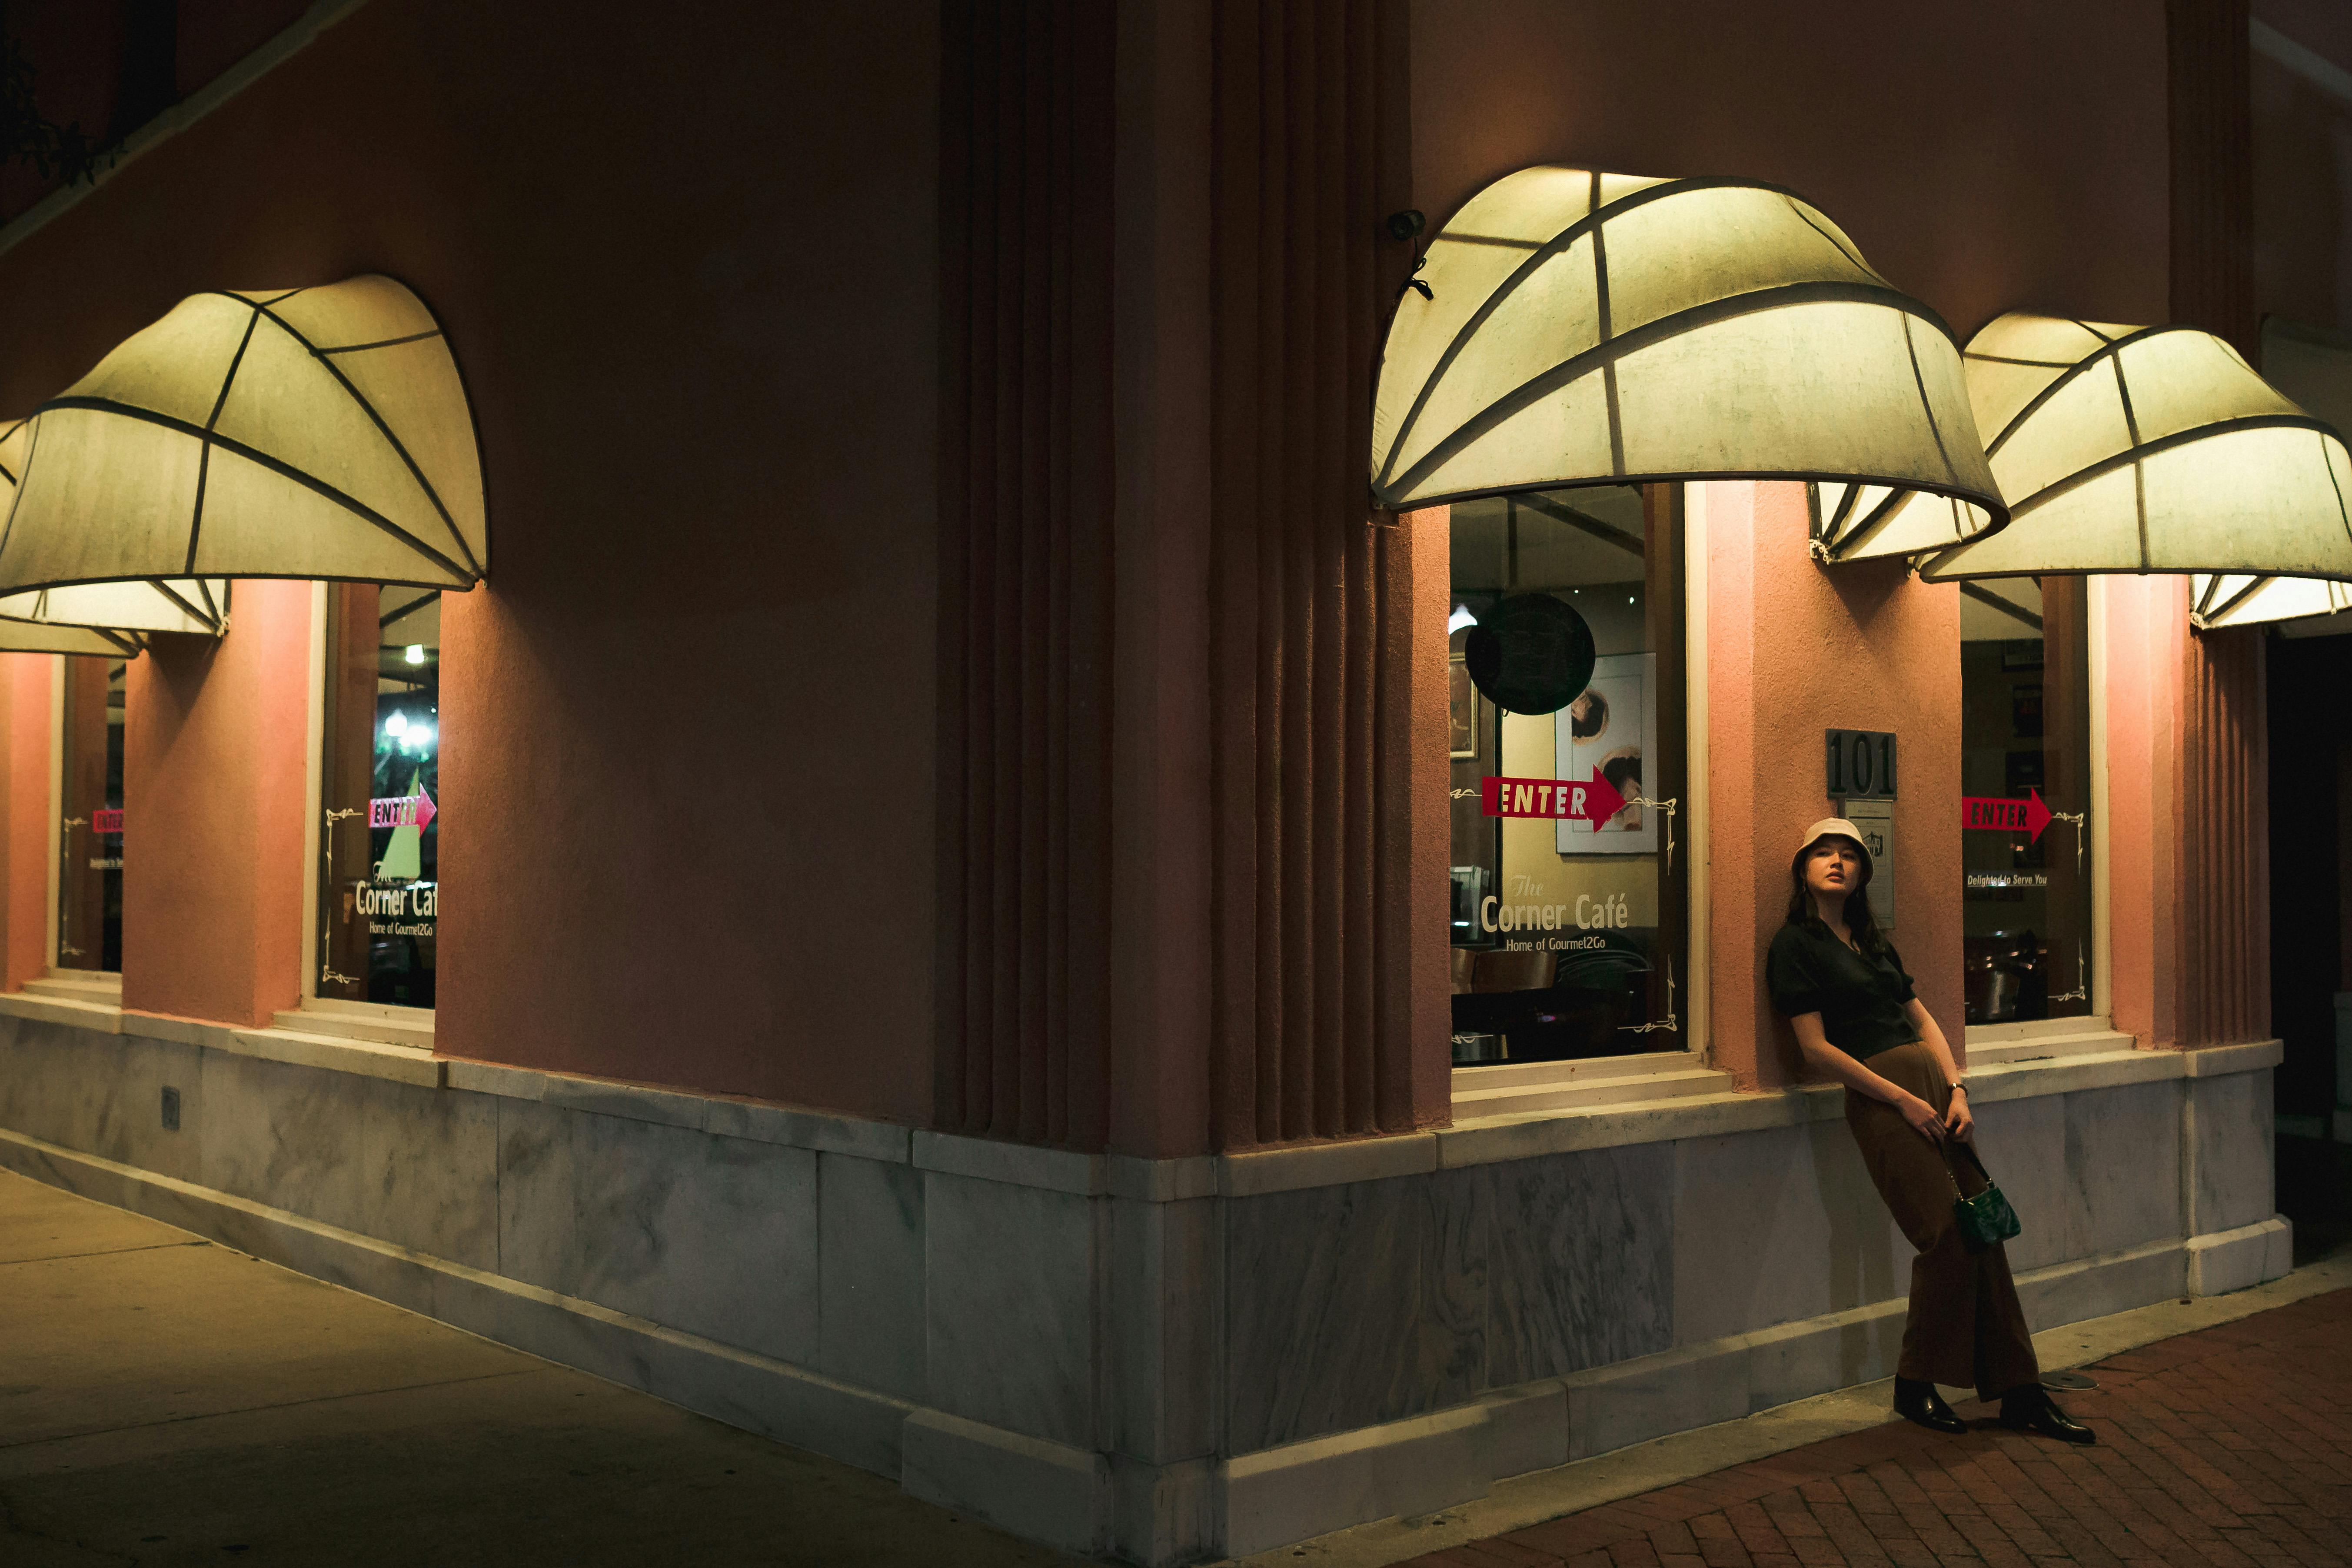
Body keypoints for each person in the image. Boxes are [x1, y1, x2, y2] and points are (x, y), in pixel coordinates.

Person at [1767, 819, 2094, 1444]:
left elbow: (1926, 1022)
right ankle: (1915, 1384)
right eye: (1824, 854)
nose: (1838, 863)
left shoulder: (1872, 941)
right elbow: (1814, 1050)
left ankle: (2021, 1392)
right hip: (1881, 1098)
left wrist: (1958, 1088)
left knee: (1984, 1227)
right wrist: (1901, 1101)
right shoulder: (1795, 944)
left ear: (1863, 873)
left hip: (1935, 1092)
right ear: (1803, 868)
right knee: (1945, 1232)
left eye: (1850, 856)